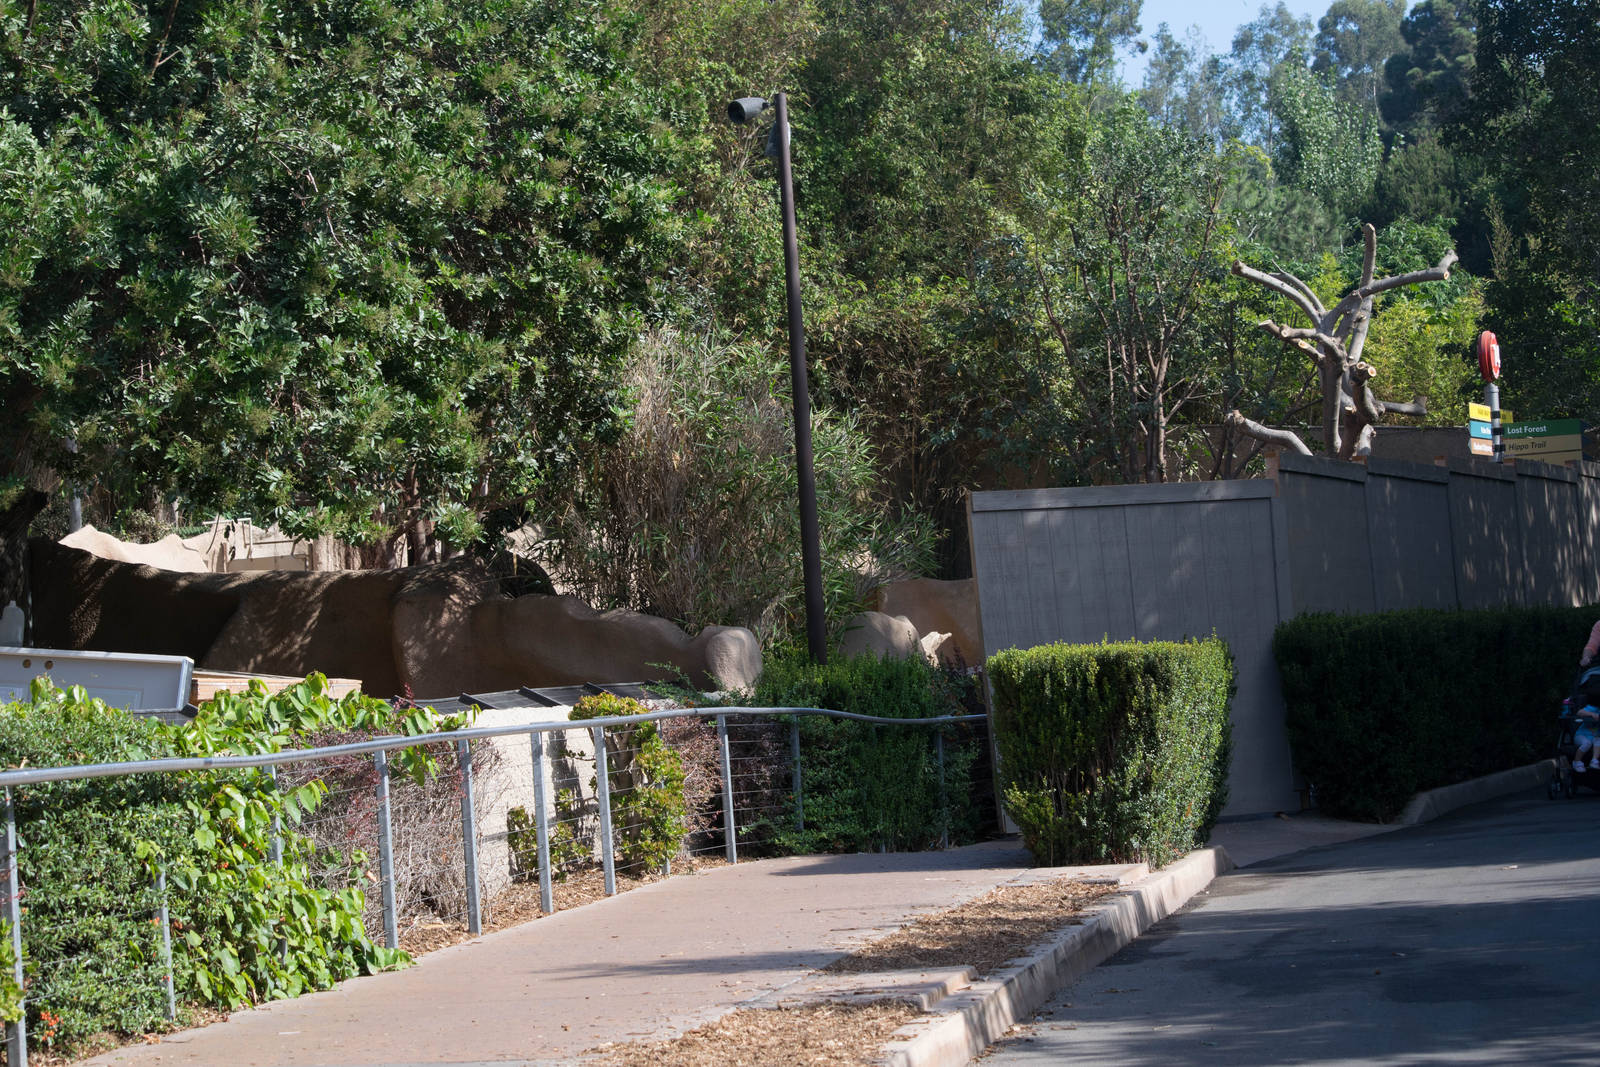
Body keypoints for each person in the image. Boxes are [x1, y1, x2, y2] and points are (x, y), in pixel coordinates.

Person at [1575, 705, 1600, 773]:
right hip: (1581, 735)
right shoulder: (1594, 707)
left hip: (1595, 737)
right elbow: (1579, 712)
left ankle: (1594, 761)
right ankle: (1577, 762)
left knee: (1598, 740)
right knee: (1587, 743)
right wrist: (1592, 714)